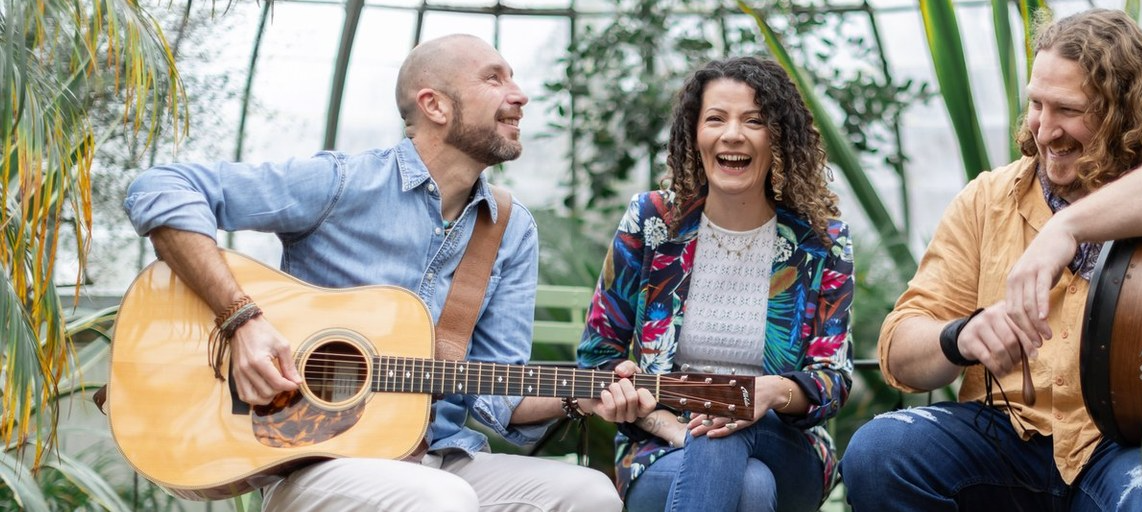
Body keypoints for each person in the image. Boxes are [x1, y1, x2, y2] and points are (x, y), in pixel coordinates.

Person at [122, 34, 621, 512]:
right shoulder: (342, 185)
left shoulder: (509, 229)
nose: (520, 95)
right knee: (442, 500)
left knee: (591, 495)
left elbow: (500, 393)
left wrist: (585, 393)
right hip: (318, 464)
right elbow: (161, 187)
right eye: (495, 79)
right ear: (435, 106)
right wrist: (242, 319)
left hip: (441, 457)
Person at [839, 8, 1142, 511]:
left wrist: (1068, 227)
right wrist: (960, 336)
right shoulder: (988, 198)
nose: (1044, 131)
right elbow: (898, 351)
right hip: (1006, 438)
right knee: (879, 452)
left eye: (1067, 110)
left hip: (1141, 447)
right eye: (1036, 106)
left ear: (1123, 110)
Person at [573, 56, 855, 512]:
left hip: (786, 443)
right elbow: (598, 359)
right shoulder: (652, 221)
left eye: (755, 120)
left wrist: (768, 392)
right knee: (748, 484)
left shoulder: (821, 241)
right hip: (661, 447)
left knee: (734, 421)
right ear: (694, 134)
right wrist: (672, 427)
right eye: (715, 119)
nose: (732, 134)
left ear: (779, 138)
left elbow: (833, 377)